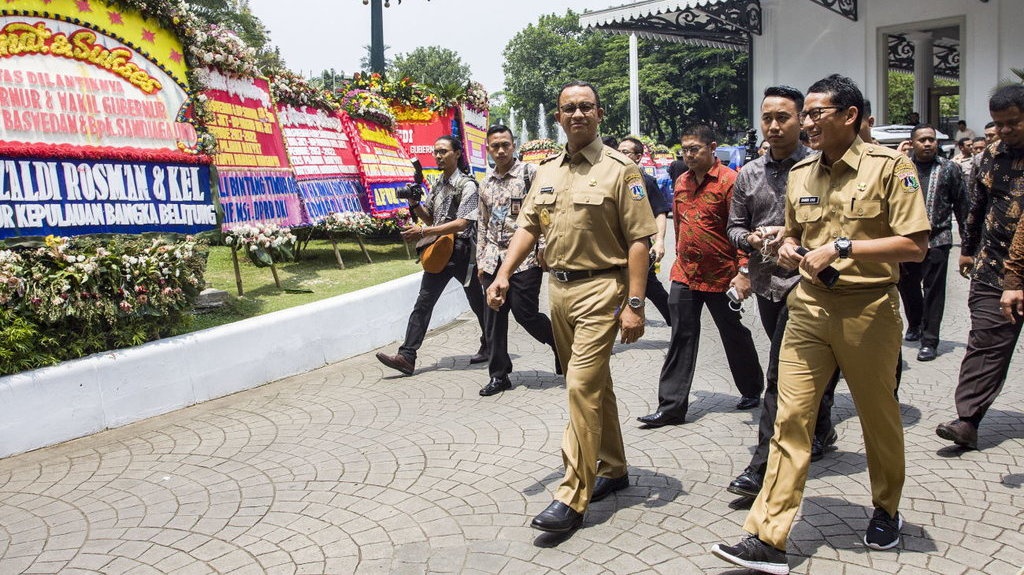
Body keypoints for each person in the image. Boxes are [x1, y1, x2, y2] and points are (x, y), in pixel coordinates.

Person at [712, 74, 930, 574]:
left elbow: (914, 243)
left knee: (878, 418)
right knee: (790, 418)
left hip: (869, 309)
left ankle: (886, 509)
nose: (805, 123)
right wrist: (786, 246)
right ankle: (768, 535)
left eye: (815, 114)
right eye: (803, 114)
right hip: (808, 307)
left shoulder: (890, 167)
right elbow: (793, 235)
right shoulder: (802, 174)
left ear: (849, 116)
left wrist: (844, 247)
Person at [486, 81, 656, 534]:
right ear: (558, 117)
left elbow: (640, 240)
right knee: (594, 383)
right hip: (557, 291)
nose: (577, 114)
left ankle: (572, 495)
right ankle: (614, 467)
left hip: (602, 289)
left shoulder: (621, 170)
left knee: (580, 387)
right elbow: (527, 226)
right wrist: (504, 273)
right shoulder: (545, 171)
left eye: (586, 107)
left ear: (599, 113)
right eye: (568, 109)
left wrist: (635, 304)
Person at [725, 85, 840, 500]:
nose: (774, 126)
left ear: (802, 120)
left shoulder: (818, 167)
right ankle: (822, 427)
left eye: (783, 118)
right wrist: (752, 241)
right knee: (797, 368)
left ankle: (761, 467)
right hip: (767, 287)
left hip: (808, 286)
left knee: (778, 377)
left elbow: (835, 228)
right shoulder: (749, 174)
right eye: (767, 118)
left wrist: (794, 239)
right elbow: (733, 226)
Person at [636, 123, 764, 429]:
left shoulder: (731, 182)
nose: (689, 155)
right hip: (685, 274)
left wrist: (744, 270)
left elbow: (744, 229)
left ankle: (751, 388)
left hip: (722, 275)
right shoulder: (681, 182)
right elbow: (680, 225)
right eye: (685, 150)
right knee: (681, 335)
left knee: (732, 332)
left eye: (695, 149)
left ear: (712, 148)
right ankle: (671, 407)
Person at [937, 84, 1024, 451]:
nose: (1004, 131)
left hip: (1016, 271)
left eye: (1013, 123)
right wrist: (968, 249)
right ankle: (967, 420)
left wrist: (1016, 277)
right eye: (997, 124)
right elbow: (977, 205)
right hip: (992, 268)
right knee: (985, 342)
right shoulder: (991, 155)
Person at [376, 135, 489, 375]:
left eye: (443, 151)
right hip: (439, 251)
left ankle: (491, 343)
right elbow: (431, 218)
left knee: (477, 303)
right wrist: (414, 204)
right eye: (436, 152)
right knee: (424, 302)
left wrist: (423, 231)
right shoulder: (438, 184)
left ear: (457, 153)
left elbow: (462, 223)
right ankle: (407, 356)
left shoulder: (467, 185)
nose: (438, 156)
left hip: (462, 252)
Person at [475, 125, 558, 396]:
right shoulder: (485, 183)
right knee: (493, 319)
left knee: (526, 313)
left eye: (505, 145)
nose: (500, 150)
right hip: (492, 259)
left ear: (514, 146)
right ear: (488, 149)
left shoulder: (529, 173)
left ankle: (559, 343)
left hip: (525, 258)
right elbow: (482, 223)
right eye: (495, 146)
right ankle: (499, 375)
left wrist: (543, 246)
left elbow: (544, 212)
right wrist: (480, 259)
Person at [898, 124, 968, 362]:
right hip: (906, 241)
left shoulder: (950, 169)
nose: (927, 144)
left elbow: (962, 205)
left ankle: (930, 340)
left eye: (931, 140)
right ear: (912, 143)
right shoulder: (902, 169)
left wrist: (968, 246)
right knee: (907, 287)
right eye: (922, 140)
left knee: (934, 291)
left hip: (939, 239)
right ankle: (915, 323)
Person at [618, 136, 672, 325]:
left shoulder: (646, 181)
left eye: (625, 152)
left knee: (652, 288)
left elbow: (660, 212)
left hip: (638, 248)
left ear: (638, 157)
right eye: (618, 151)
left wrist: (659, 241)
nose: (619, 155)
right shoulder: (610, 180)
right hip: (613, 250)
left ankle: (679, 326)